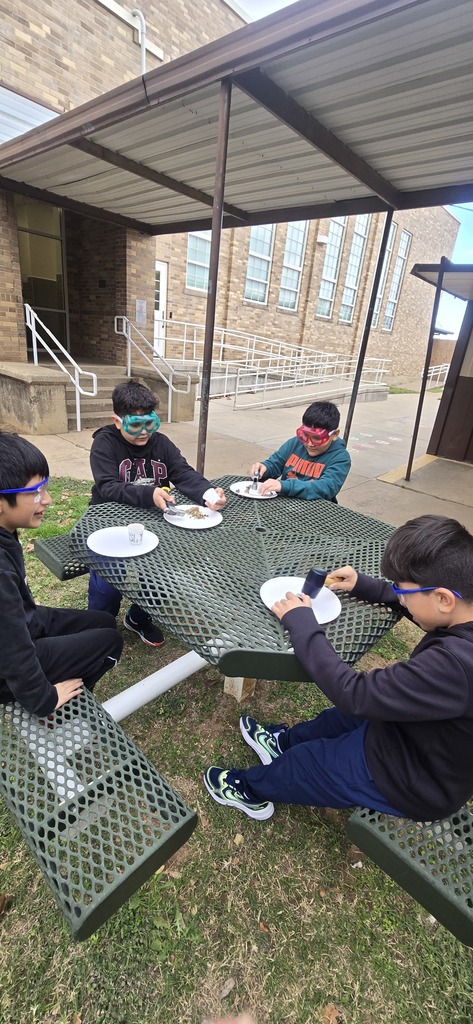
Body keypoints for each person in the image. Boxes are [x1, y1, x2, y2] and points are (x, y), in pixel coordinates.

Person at [204, 515, 473, 823]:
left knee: (308, 765)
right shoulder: (463, 610)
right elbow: (425, 607)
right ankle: (283, 743)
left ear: (443, 598)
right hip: (419, 731)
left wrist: (301, 622)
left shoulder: (455, 666)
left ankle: (250, 790)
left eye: (402, 590)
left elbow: (354, 692)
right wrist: (368, 586)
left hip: (412, 776)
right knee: (338, 720)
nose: (398, 595)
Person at [88, 378, 226, 646]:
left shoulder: (161, 443)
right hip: (108, 523)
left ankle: (138, 618)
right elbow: (107, 487)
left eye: (149, 423)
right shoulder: (104, 444)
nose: (143, 432)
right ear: (117, 421)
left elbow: (183, 472)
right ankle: (97, 632)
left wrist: (208, 493)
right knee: (107, 586)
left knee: (161, 579)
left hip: (152, 522)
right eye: (134, 425)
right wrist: (147, 494)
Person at [0, 432, 123, 717]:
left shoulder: (6, 530)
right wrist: (44, 699)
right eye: (36, 492)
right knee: (110, 642)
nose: (48, 500)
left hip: (24, 622)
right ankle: (62, 710)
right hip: (8, 670)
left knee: (104, 621)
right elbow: (12, 653)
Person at [249, 400, 350, 501]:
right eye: (305, 435)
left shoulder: (340, 458)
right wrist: (264, 469)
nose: (310, 444)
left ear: (334, 434)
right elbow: (275, 463)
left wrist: (285, 486)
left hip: (317, 511)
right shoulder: (295, 444)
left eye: (317, 438)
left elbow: (325, 488)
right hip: (286, 505)